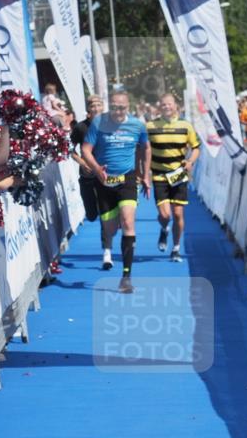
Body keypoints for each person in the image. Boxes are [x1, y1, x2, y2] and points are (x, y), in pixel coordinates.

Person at [81, 90, 150, 292]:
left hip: (127, 179)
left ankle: (126, 277)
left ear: (128, 106)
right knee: (110, 229)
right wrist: (97, 170)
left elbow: (146, 148)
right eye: (115, 107)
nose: (118, 111)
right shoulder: (99, 123)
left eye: (122, 107)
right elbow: (85, 150)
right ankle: (116, 221)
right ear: (110, 105)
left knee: (129, 222)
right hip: (104, 180)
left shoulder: (137, 125)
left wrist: (145, 175)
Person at [146, 93, 200, 262]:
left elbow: (196, 147)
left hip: (179, 174)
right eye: (163, 104)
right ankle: (164, 229)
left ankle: (176, 249)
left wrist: (190, 161)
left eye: (169, 104)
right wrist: (144, 173)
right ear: (159, 107)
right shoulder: (150, 126)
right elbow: (143, 149)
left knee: (178, 215)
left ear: (176, 106)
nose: (167, 107)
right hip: (159, 175)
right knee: (165, 216)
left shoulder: (186, 126)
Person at [70, 94, 105, 225]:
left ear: (102, 107)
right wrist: (83, 163)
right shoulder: (80, 127)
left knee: (106, 212)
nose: (96, 108)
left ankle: (106, 240)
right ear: (88, 109)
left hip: (105, 174)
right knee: (91, 215)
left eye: (98, 105)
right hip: (88, 174)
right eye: (92, 106)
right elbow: (69, 149)